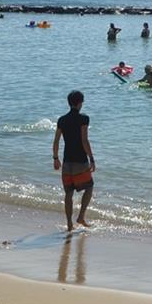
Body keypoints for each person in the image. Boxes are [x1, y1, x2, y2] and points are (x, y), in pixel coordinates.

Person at [53, 90, 95, 231]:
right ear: (79, 103)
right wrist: (92, 158)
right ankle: (81, 216)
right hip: (80, 162)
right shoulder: (84, 119)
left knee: (68, 194)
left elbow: (56, 141)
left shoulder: (62, 120)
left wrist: (55, 158)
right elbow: (84, 140)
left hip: (67, 162)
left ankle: (69, 224)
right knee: (89, 187)